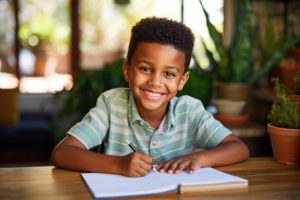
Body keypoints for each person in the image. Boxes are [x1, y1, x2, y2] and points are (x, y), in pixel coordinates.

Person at [51, 17, 249, 177]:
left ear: (182, 80)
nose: (155, 82)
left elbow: (239, 148)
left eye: (169, 74)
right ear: (127, 70)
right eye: (145, 69)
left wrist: (200, 159)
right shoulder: (111, 105)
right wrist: (118, 165)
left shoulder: (190, 111)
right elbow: (62, 154)